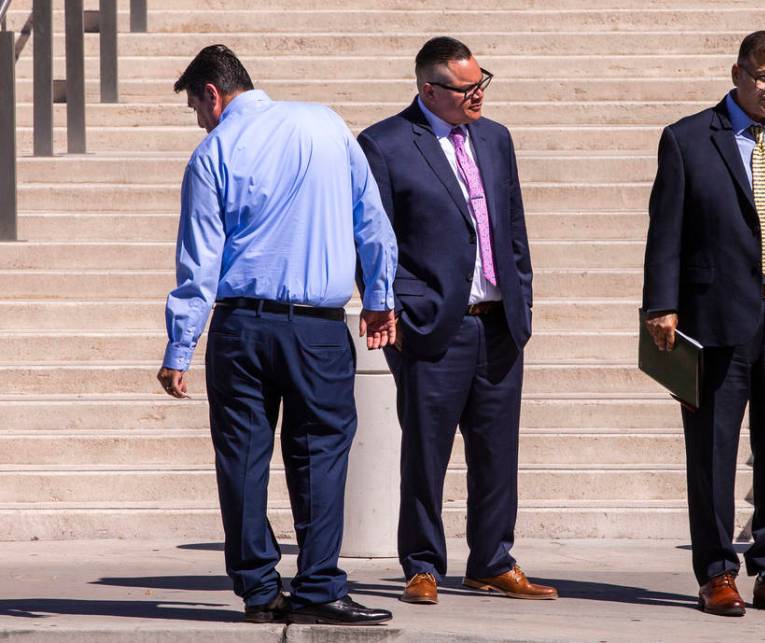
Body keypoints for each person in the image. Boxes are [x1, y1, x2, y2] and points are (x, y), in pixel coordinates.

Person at [155, 44, 397, 626]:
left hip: (241, 325)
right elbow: (372, 218)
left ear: (213, 94)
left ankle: (259, 590)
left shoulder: (212, 152)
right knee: (321, 454)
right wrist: (381, 297)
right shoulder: (327, 123)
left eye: (196, 107)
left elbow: (199, 262)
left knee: (241, 457)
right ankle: (318, 587)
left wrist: (180, 346)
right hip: (317, 328)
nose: (199, 121)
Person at [357, 36, 556, 605]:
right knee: (426, 450)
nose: (478, 96)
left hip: (498, 323)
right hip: (433, 325)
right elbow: (374, 238)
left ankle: (492, 559)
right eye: (466, 88)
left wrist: (523, 300)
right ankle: (421, 564)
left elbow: (511, 227)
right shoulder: (386, 144)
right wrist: (397, 303)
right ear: (429, 89)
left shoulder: (495, 139)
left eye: (481, 82)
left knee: (497, 451)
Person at [642, 31, 765, 617]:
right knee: (713, 451)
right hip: (717, 317)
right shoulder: (688, 138)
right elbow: (665, 232)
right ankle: (716, 572)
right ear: (738, 72)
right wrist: (660, 306)